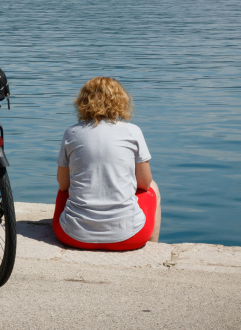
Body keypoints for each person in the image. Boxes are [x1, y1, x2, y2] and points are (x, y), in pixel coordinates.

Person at [53, 77, 161, 251]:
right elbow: (144, 183)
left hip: (72, 236)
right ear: (121, 101)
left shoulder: (72, 133)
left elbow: (63, 184)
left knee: (65, 189)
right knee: (153, 187)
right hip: (130, 238)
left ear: (83, 102)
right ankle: (154, 248)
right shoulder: (133, 131)